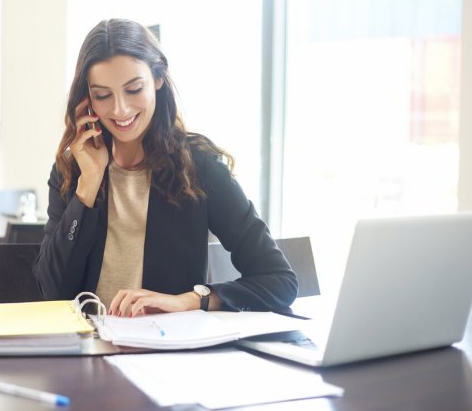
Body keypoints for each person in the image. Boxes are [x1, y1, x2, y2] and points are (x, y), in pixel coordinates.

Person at [33, 19, 297, 317]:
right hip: (87, 351)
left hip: (167, 354)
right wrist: (88, 187)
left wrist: (191, 300)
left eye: (133, 89)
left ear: (158, 77)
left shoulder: (199, 167)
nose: (120, 109)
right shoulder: (73, 170)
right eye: (103, 95)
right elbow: (52, 292)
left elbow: (279, 281)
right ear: (87, 100)